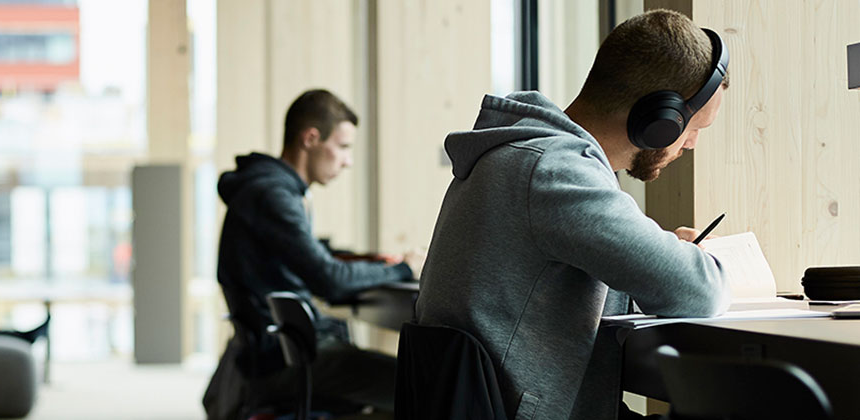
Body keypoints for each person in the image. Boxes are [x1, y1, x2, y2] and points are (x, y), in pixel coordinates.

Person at [413, 10, 731, 420]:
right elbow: (699, 290)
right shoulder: (554, 169)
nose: (691, 145)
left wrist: (664, 249)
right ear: (659, 120)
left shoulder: (520, 158)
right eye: (693, 128)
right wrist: (712, 263)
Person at [204, 89, 427, 419]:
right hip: (285, 362)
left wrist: (367, 260)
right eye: (343, 147)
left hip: (274, 354)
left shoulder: (267, 189)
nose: (347, 160)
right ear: (311, 139)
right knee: (425, 387)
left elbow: (311, 253)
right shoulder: (274, 195)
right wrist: (404, 269)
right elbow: (329, 281)